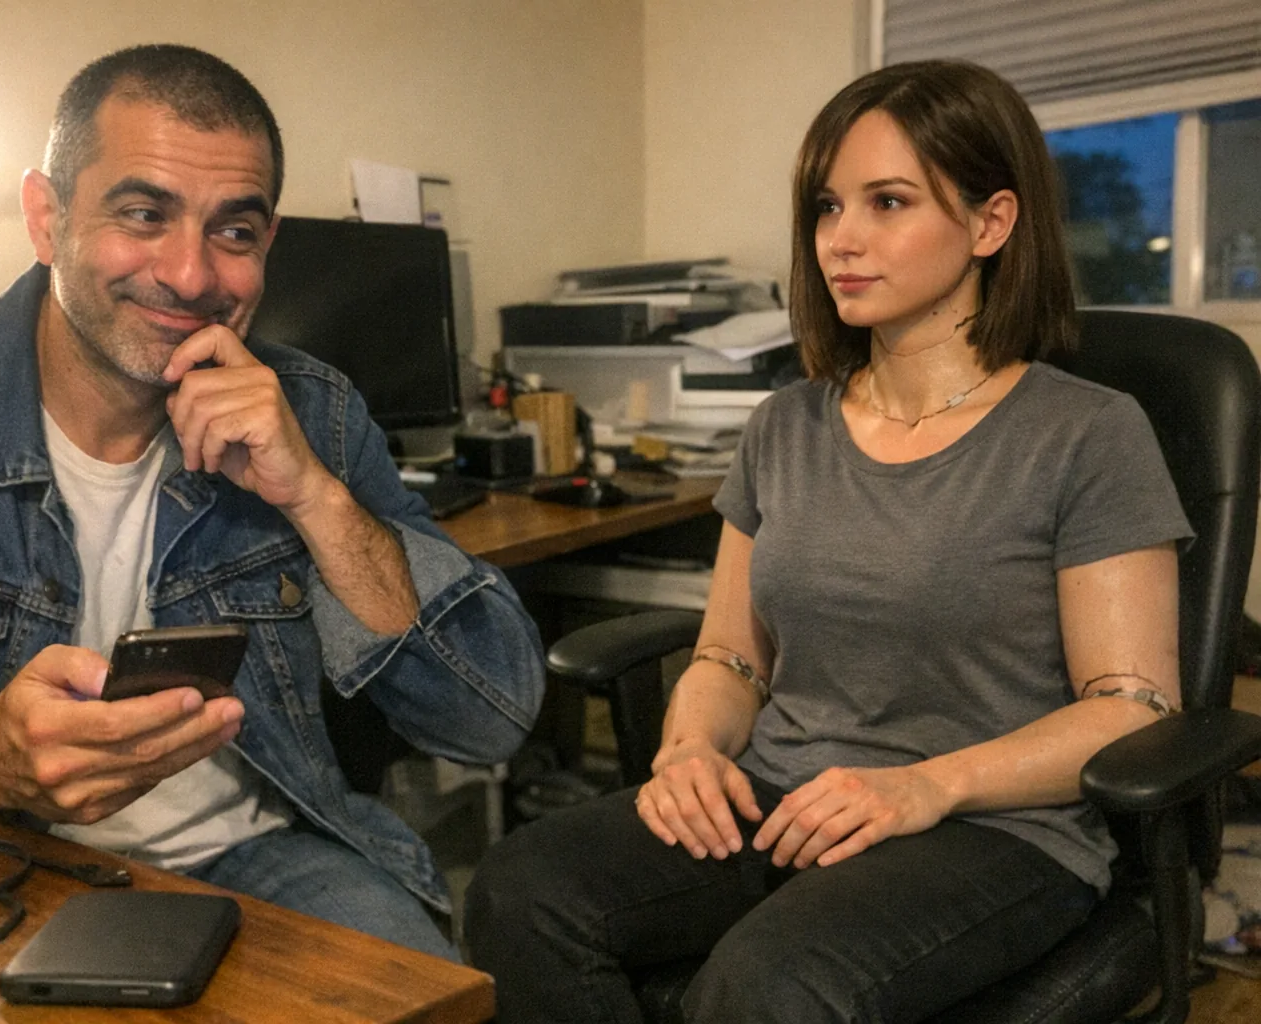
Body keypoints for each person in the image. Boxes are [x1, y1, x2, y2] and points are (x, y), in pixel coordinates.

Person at [0, 44, 544, 960]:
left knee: (422, 988)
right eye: (144, 213)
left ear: (266, 244)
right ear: (47, 217)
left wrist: (313, 494)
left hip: (258, 855)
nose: (192, 277)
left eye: (233, 232)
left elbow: (488, 719)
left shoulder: (312, 408)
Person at [464, 59, 1192, 1021]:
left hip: (995, 827)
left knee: (768, 986)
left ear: (990, 222)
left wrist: (925, 788)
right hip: (786, 795)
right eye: (825, 208)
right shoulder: (784, 427)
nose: (839, 241)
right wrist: (687, 750)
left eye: (887, 202)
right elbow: (731, 655)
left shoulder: (1086, 433)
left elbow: (1132, 706)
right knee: (522, 893)